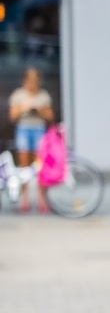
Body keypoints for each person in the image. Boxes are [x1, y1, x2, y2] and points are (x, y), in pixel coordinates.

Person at [8, 67, 53, 213]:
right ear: (24, 81)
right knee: (24, 167)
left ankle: (41, 198)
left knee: (40, 166)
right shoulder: (19, 95)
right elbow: (12, 116)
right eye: (29, 80)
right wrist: (24, 109)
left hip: (39, 129)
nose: (32, 84)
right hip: (24, 130)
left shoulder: (43, 96)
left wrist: (39, 109)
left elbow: (50, 116)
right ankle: (25, 198)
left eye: (35, 80)